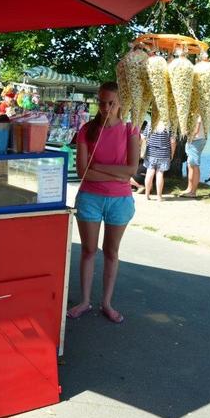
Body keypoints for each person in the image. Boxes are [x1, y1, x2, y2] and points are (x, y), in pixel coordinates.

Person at [66, 81, 139, 324]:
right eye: (102, 102)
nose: (105, 107)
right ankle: (85, 301)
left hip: (119, 200)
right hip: (90, 198)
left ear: (120, 103)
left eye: (111, 103)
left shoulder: (130, 129)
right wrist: (115, 174)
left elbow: (131, 170)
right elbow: (82, 172)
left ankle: (106, 303)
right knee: (88, 250)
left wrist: (98, 167)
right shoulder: (87, 129)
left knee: (111, 252)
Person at [143, 123, 175, 201]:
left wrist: (143, 150)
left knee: (149, 173)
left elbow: (143, 137)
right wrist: (172, 153)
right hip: (164, 154)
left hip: (151, 153)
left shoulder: (150, 123)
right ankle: (159, 196)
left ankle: (147, 195)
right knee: (160, 174)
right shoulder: (169, 126)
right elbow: (173, 141)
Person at [179, 115, 206, 198]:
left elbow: (196, 131)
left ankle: (193, 192)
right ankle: (189, 189)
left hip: (196, 141)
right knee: (190, 165)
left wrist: (185, 133)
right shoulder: (193, 114)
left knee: (195, 165)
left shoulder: (198, 115)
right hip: (192, 141)